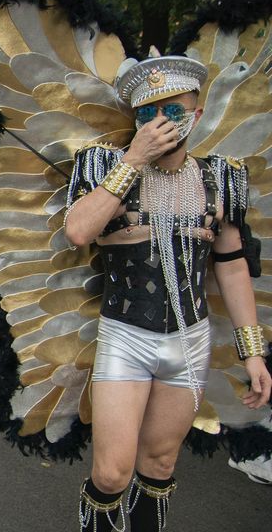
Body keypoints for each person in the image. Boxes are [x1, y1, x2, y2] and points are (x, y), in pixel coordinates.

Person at [64, 54, 271, 531]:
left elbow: (233, 269)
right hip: (126, 337)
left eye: (173, 112)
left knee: (158, 465)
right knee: (112, 472)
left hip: (190, 341)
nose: (160, 124)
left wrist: (252, 353)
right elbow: (79, 231)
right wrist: (133, 159)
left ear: (195, 116)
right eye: (147, 114)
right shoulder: (105, 165)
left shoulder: (220, 178)